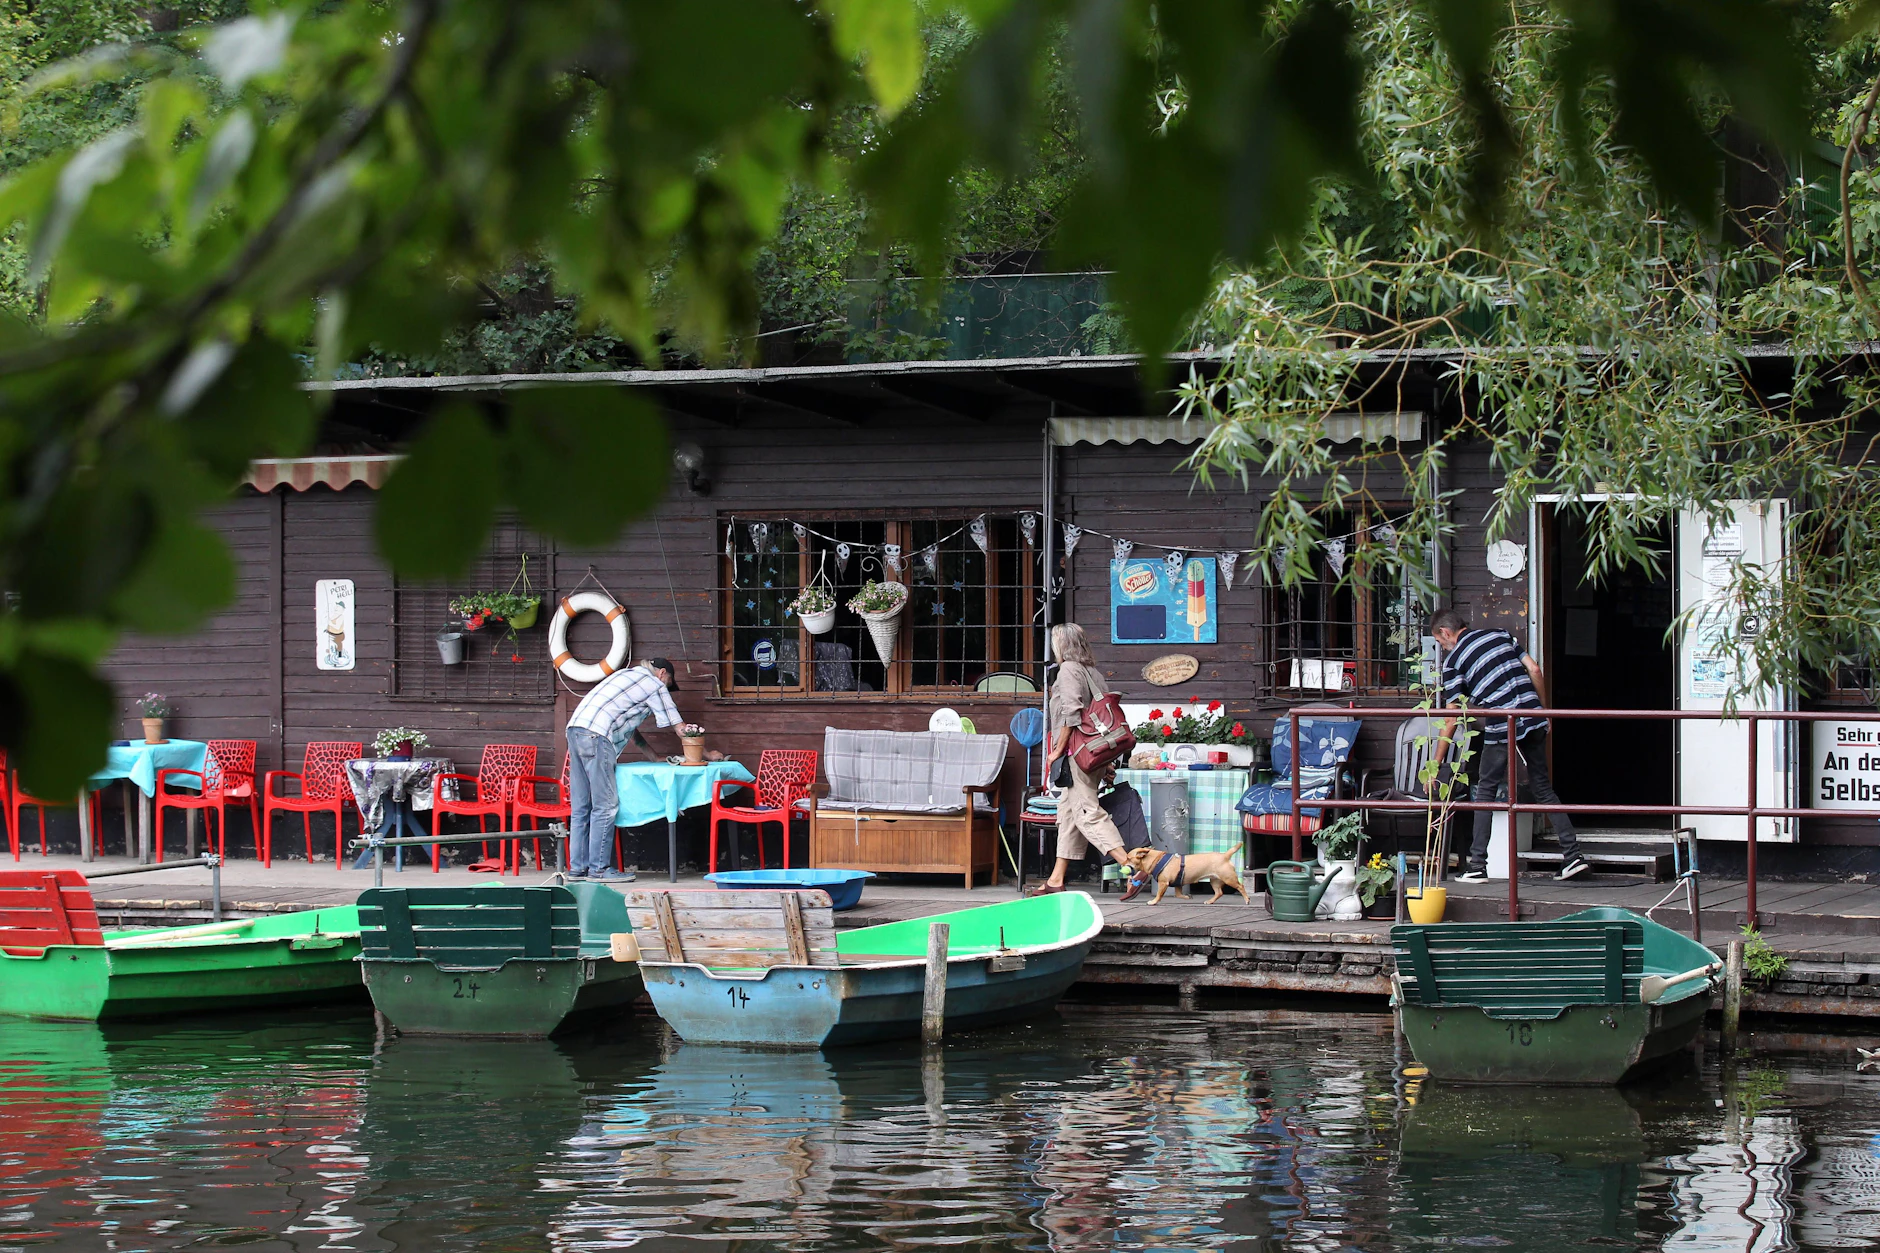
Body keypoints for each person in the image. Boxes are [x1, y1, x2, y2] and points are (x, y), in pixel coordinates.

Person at [1427, 608, 1588, 881]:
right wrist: (1544, 713)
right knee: (1543, 787)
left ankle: (1477, 865)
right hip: (1532, 715)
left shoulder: (1454, 662)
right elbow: (1534, 669)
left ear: (1445, 632)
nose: (1444, 648)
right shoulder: (1500, 634)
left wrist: (1436, 764)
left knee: (1486, 791)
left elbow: (1452, 714)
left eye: (1441, 643)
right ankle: (1573, 856)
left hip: (1502, 723)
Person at [1029, 622, 1142, 898]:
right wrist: (1106, 763)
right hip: (1091, 757)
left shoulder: (1068, 670)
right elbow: (1101, 722)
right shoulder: (1094, 673)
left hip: (1075, 756)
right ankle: (1056, 879)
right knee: (1068, 816)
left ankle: (1132, 867)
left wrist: (1056, 751)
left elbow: (1071, 714)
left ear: (1061, 646)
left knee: (1087, 813)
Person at [563, 656, 682, 881]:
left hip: (575, 731)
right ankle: (598, 869)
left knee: (581, 807)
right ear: (663, 674)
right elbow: (680, 728)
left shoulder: (625, 675)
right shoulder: (654, 684)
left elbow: (630, 731)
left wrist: (654, 756)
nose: (666, 689)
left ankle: (577, 869)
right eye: (668, 684)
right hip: (597, 736)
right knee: (605, 806)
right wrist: (707, 753)